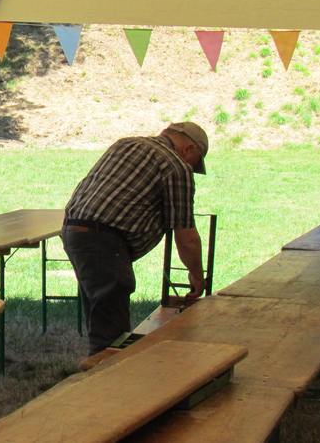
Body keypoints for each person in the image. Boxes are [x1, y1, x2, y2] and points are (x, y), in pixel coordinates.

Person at [61, 122, 209, 356]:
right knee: (111, 335)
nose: (191, 168)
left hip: (74, 230)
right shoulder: (176, 166)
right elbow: (185, 235)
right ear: (188, 149)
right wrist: (197, 275)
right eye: (195, 161)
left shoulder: (127, 144)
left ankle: (98, 376)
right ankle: (106, 384)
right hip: (105, 240)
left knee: (101, 316)